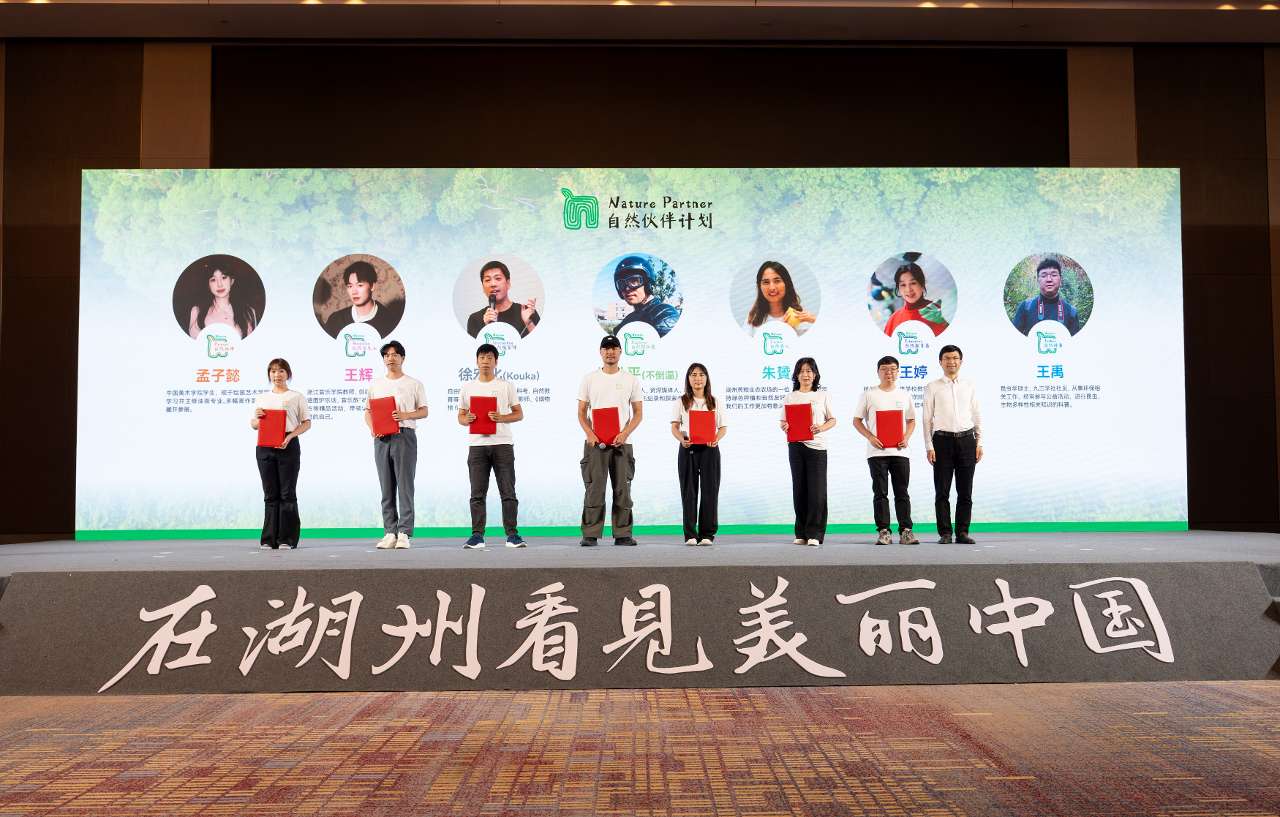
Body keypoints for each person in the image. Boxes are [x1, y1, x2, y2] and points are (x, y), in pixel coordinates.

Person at [457, 343, 526, 549]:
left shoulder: (506, 386)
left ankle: (512, 535)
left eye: (489, 358)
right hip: (477, 445)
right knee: (477, 493)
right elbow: (460, 416)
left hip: (502, 444)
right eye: (482, 357)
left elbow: (519, 414)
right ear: (476, 361)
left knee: (508, 491)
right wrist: (467, 419)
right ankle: (477, 535)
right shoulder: (468, 387)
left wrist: (501, 417)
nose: (485, 361)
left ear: (496, 361)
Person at [577, 335, 644, 546]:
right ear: (600, 352)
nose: (610, 352)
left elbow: (638, 413)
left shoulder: (630, 379)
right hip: (595, 443)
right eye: (606, 348)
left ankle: (623, 534)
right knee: (594, 489)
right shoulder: (589, 379)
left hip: (622, 443)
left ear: (620, 352)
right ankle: (590, 534)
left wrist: (624, 434)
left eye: (614, 348)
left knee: (623, 489)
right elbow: (581, 412)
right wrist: (590, 433)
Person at [364, 340, 428, 550]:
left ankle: (404, 532)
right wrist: (373, 428)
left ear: (402, 358)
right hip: (381, 438)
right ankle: (390, 532)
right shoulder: (376, 384)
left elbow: (424, 411)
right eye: (386, 355)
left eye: (394, 355)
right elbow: (368, 412)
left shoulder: (414, 384)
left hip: (404, 436)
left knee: (405, 486)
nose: (390, 358)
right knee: (386, 486)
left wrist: (404, 415)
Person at [853, 356, 918, 545]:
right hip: (877, 453)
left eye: (892, 369)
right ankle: (884, 531)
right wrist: (870, 437)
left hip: (900, 452)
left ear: (898, 371)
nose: (888, 372)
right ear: (878, 372)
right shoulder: (869, 394)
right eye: (884, 369)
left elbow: (911, 420)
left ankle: (906, 531)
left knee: (902, 492)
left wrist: (906, 437)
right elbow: (857, 421)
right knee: (880, 493)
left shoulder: (904, 395)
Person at [923, 344, 983, 544]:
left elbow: (976, 414)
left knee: (965, 491)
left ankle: (963, 532)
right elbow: (926, 419)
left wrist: (979, 442)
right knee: (942, 491)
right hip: (942, 441)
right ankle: (945, 533)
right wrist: (929, 446)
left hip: (967, 440)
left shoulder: (969, 385)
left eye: (955, 358)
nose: (951, 362)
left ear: (961, 361)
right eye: (947, 358)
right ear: (940, 362)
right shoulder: (932, 387)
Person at [250, 358, 310, 550]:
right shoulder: (262, 398)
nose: (277, 375)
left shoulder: (296, 396)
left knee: (287, 493)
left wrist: (290, 436)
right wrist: (257, 418)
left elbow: (306, 423)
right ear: (269, 374)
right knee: (270, 494)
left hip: (288, 445)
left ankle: (287, 538)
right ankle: (268, 538)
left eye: (281, 371)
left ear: (288, 374)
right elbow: (254, 425)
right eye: (273, 371)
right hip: (265, 447)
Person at [779, 357, 836, 547]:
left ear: (815, 374)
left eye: (809, 371)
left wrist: (820, 428)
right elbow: (783, 422)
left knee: (817, 492)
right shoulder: (790, 397)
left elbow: (832, 420)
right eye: (802, 371)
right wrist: (785, 426)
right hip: (796, 446)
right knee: (799, 490)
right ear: (796, 375)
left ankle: (815, 533)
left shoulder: (822, 396)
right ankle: (801, 532)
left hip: (817, 447)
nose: (805, 374)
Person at [670, 363, 727, 546]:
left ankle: (707, 534)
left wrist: (716, 439)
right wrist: (681, 439)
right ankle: (690, 535)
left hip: (710, 449)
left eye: (701, 374)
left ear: (706, 378)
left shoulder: (715, 402)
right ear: (688, 379)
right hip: (688, 448)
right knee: (689, 492)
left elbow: (722, 427)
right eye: (693, 374)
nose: (697, 378)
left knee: (710, 491)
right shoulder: (681, 401)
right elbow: (674, 427)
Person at [322, 260, 403, 339]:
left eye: (360, 285)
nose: (354, 291)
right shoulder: (336, 319)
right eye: (350, 286)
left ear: (372, 286)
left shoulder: (388, 321)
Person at [465, 260, 541, 338]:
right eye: (487, 280)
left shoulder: (528, 312)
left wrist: (529, 323)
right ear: (483, 288)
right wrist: (487, 328)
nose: (493, 284)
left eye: (498, 278)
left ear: (508, 283)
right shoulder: (475, 319)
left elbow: (541, 342)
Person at [188, 257, 258, 340]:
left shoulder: (248, 312)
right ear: (208, 285)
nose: (219, 284)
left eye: (224, 277)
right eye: (213, 280)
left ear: (232, 281)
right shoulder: (197, 311)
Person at [1011, 257, 1081, 336]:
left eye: (1054, 275)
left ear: (1060, 279)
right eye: (1044, 275)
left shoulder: (1071, 312)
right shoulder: (1025, 307)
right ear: (1038, 280)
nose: (1049, 279)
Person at [613, 256, 680, 338]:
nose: (627, 288)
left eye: (634, 281)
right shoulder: (628, 319)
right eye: (621, 284)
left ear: (648, 284)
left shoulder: (665, 314)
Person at [744, 261, 817, 336]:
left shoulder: (801, 318)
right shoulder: (752, 319)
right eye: (766, 282)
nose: (772, 288)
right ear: (759, 286)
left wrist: (814, 320)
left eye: (777, 281)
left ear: (787, 284)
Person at [882, 262, 948, 337]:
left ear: (922, 284)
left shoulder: (939, 311)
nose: (908, 289)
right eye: (903, 285)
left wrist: (944, 323)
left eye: (913, 283)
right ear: (899, 289)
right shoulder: (893, 319)